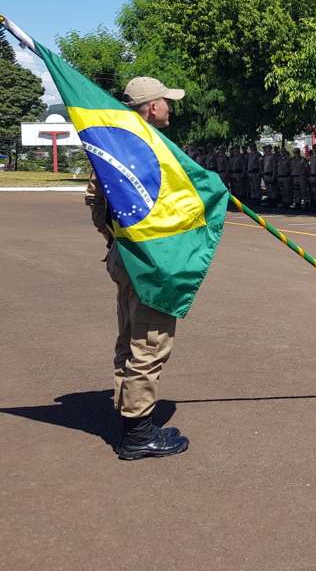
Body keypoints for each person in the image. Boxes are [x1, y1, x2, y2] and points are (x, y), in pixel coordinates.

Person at [84, 76, 191, 460]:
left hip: (125, 254)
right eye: (166, 101)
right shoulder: (147, 148)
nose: (170, 107)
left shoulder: (113, 146)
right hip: (148, 261)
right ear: (151, 108)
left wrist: (115, 241)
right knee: (148, 344)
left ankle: (132, 415)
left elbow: (94, 201)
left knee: (130, 338)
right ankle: (137, 435)